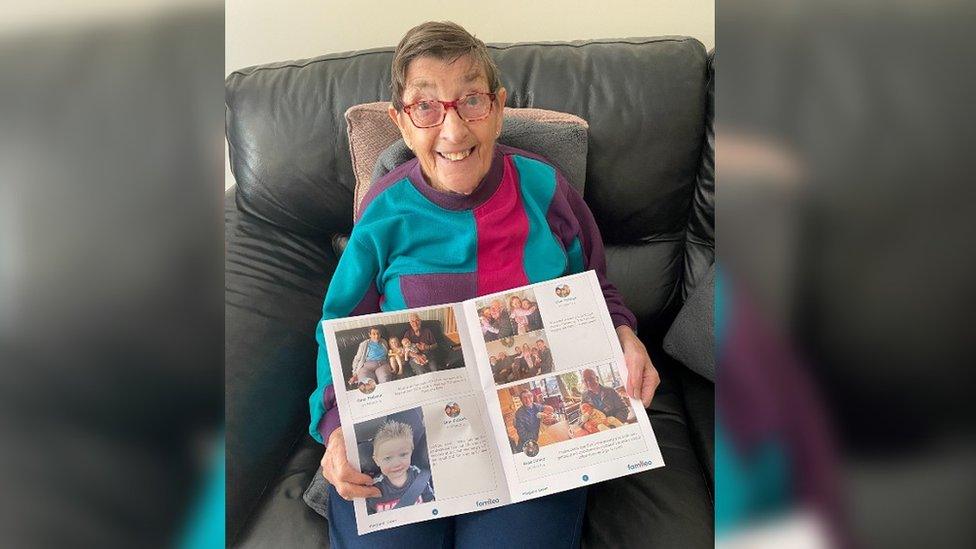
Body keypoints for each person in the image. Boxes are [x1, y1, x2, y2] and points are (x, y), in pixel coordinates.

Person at [309, 21, 659, 548]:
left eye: (470, 100)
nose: (453, 132)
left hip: (526, 436)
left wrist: (625, 334)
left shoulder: (544, 188)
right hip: (408, 431)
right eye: (426, 107)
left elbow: (593, 289)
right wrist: (336, 425)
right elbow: (339, 327)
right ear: (401, 122)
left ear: (496, 107)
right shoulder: (383, 211)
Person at [366, 420, 435, 514]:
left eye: (403, 455)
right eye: (388, 458)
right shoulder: (374, 487)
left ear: (411, 451)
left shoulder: (419, 476)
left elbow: (430, 501)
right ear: (376, 460)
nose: (396, 463)